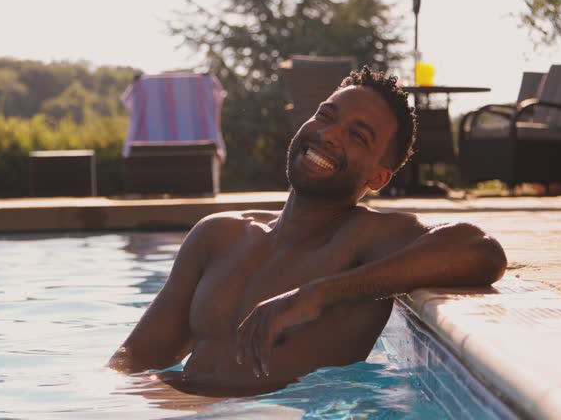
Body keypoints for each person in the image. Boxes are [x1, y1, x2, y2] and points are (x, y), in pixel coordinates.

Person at [108, 66, 507, 397]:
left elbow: (480, 249)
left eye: (357, 135)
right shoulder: (218, 234)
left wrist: (318, 294)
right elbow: (136, 356)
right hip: (177, 405)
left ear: (379, 176)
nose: (330, 134)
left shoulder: (367, 240)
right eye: (326, 115)